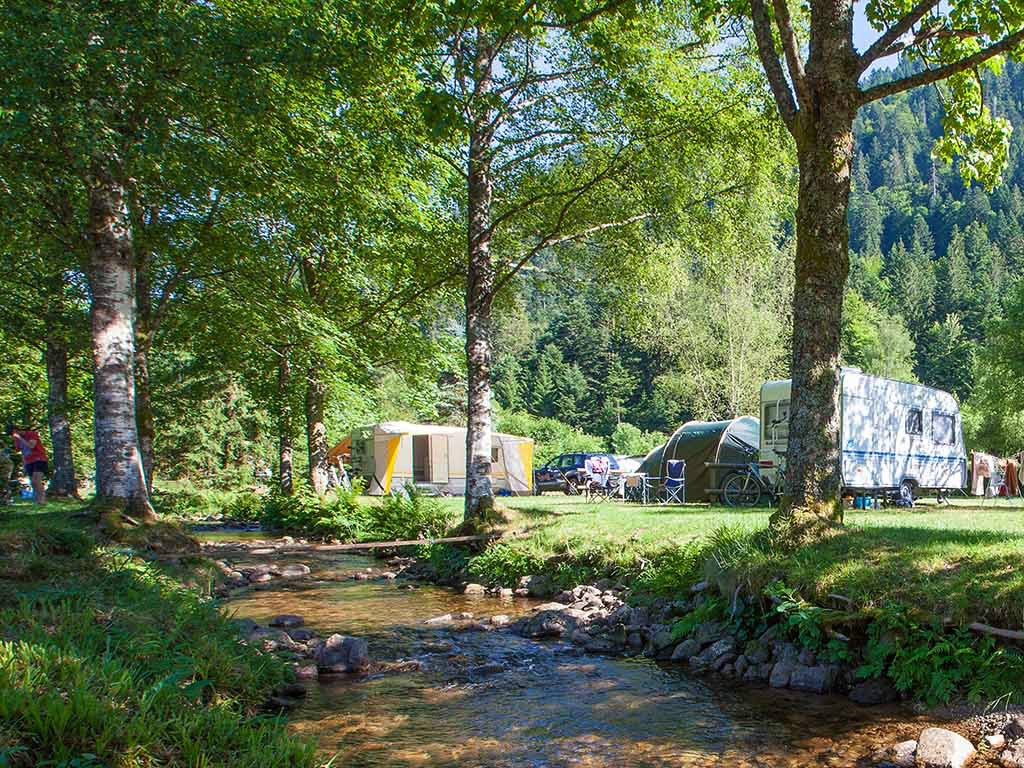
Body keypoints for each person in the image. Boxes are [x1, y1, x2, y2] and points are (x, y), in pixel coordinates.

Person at [7, 424, 47, 505]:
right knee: (33, 481)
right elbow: (22, 452)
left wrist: (19, 438)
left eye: (12, 434)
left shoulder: (31, 434)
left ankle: (42, 500)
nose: (12, 436)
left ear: (16, 430)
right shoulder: (17, 440)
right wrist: (24, 464)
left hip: (39, 458)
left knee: (37, 480)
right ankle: (37, 500)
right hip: (29, 461)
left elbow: (31, 446)